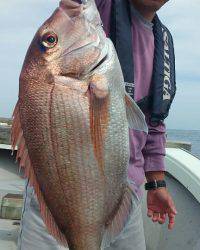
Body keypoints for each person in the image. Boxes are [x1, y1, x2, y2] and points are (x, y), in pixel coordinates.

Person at [17, 0, 177, 249]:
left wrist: (156, 182)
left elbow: (153, 121)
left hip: (127, 190)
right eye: (50, 41)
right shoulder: (96, 9)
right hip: (62, 194)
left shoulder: (163, 39)